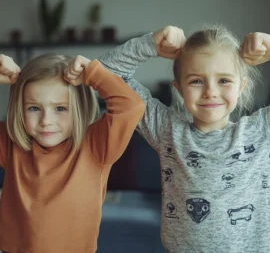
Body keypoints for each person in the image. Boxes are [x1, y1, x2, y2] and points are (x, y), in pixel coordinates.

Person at [99, 25, 270, 252]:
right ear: (179, 89)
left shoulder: (261, 130)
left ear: (241, 86)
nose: (210, 91)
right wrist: (150, 44)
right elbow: (105, 74)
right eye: (196, 81)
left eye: (224, 81)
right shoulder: (166, 130)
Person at [0, 53, 145, 253]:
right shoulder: (11, 143)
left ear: (80, 107)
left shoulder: (96, 145)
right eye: (34, 108)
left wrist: (93, 74)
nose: (46, 121)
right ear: (19, 108)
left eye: (60, 108)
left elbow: (131, 106)